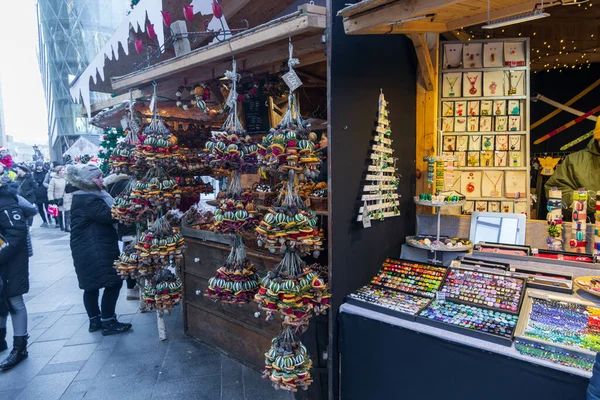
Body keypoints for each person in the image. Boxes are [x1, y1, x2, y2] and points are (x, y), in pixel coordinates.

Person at [66, 164, 132, 335]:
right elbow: (110, 216)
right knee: (114, 282)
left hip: (86, 247)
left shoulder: (81, 196)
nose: (102, 180)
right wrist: (126, 207)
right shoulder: (90, 198)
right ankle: (108, 321)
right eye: (97, 177)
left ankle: (95, 321)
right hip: (96, 248)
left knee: (91, 286)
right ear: (88, 181)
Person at [0, 176, 30, 371]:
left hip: (10, 261)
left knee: (14, 301)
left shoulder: (5, 201)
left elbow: (17, 232)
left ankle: (20, 348)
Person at [545, 118, 600, 214]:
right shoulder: (574, 161)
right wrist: (592, 201)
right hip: (584, 224)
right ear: (597, 138)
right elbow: (555, 192)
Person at [104, 173, 139, 300]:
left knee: (129, 257)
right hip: (132, 227)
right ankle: (135, 289)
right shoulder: (127, 184)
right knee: (134, 257)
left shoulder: (112, 185)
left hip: (124, 229)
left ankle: (131, 289)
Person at [32, 161, 50, 227]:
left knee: (47, 207)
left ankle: (49, 217)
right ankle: (44, 221)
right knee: (40, 208)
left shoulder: (46, 172)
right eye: (38, 166)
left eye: (40, 165)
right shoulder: (33, 173)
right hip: (37, 193)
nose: (39, 167)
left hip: (45, 192)